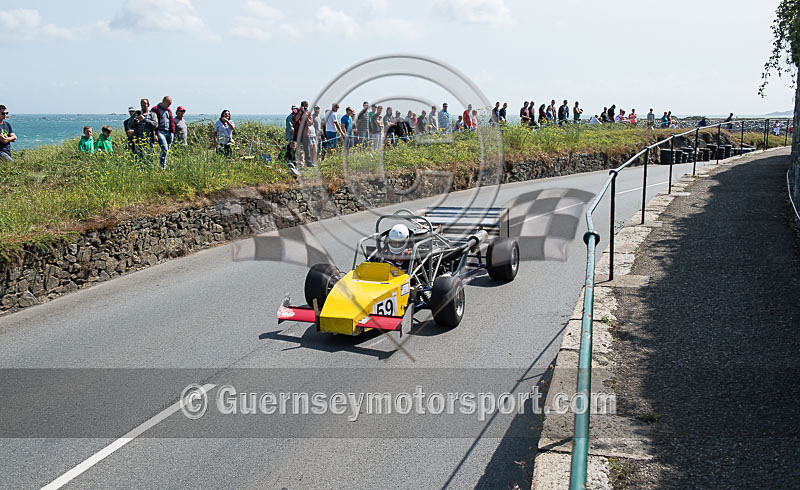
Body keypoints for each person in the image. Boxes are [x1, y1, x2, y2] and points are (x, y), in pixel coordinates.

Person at [151, 96, 175, 169]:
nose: (169, 106)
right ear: (163, 101)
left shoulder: (168, 110)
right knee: (165, 149)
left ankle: (164, 165)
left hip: (169, 132)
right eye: (168, 104)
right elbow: (153, 122)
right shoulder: (155, 109)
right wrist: (154, 134)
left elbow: (170, 121)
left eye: (170, 104)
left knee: (167, 150)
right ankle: (162, 167)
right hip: (160, 131)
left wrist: (173, 132)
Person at [292, 100, 313, 167]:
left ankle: (308, 163)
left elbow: (310, 123)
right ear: (301, 106)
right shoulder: (296, 111)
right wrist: (300, 112)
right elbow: (295, 120)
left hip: (305, 134)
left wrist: (306, 116)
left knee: (307, 149)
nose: (306, 109)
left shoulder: (308, 113)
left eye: (307, 108)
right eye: (305, 107)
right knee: (297, 149)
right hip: (297, 134)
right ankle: (296, 163)